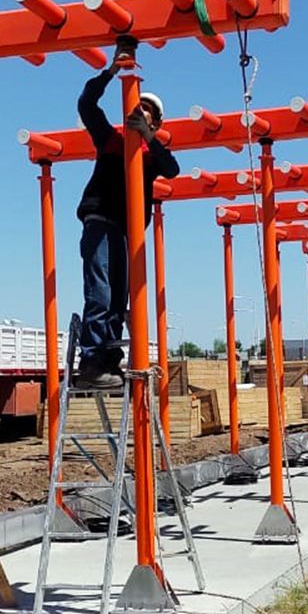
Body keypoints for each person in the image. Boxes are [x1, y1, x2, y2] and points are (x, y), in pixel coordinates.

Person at [74, 42, 180, 388]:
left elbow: (172, 169)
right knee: (101, 294)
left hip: (126, 232)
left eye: (149, 111)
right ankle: (91, 361)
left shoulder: (150, 153)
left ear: (157, 122)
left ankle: (108, 363)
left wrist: (149, 137)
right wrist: (110, 72)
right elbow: (86, 104)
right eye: (140, 106)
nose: (142, 111)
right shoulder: (110, 139)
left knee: (119, 301)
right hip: (101, 223)